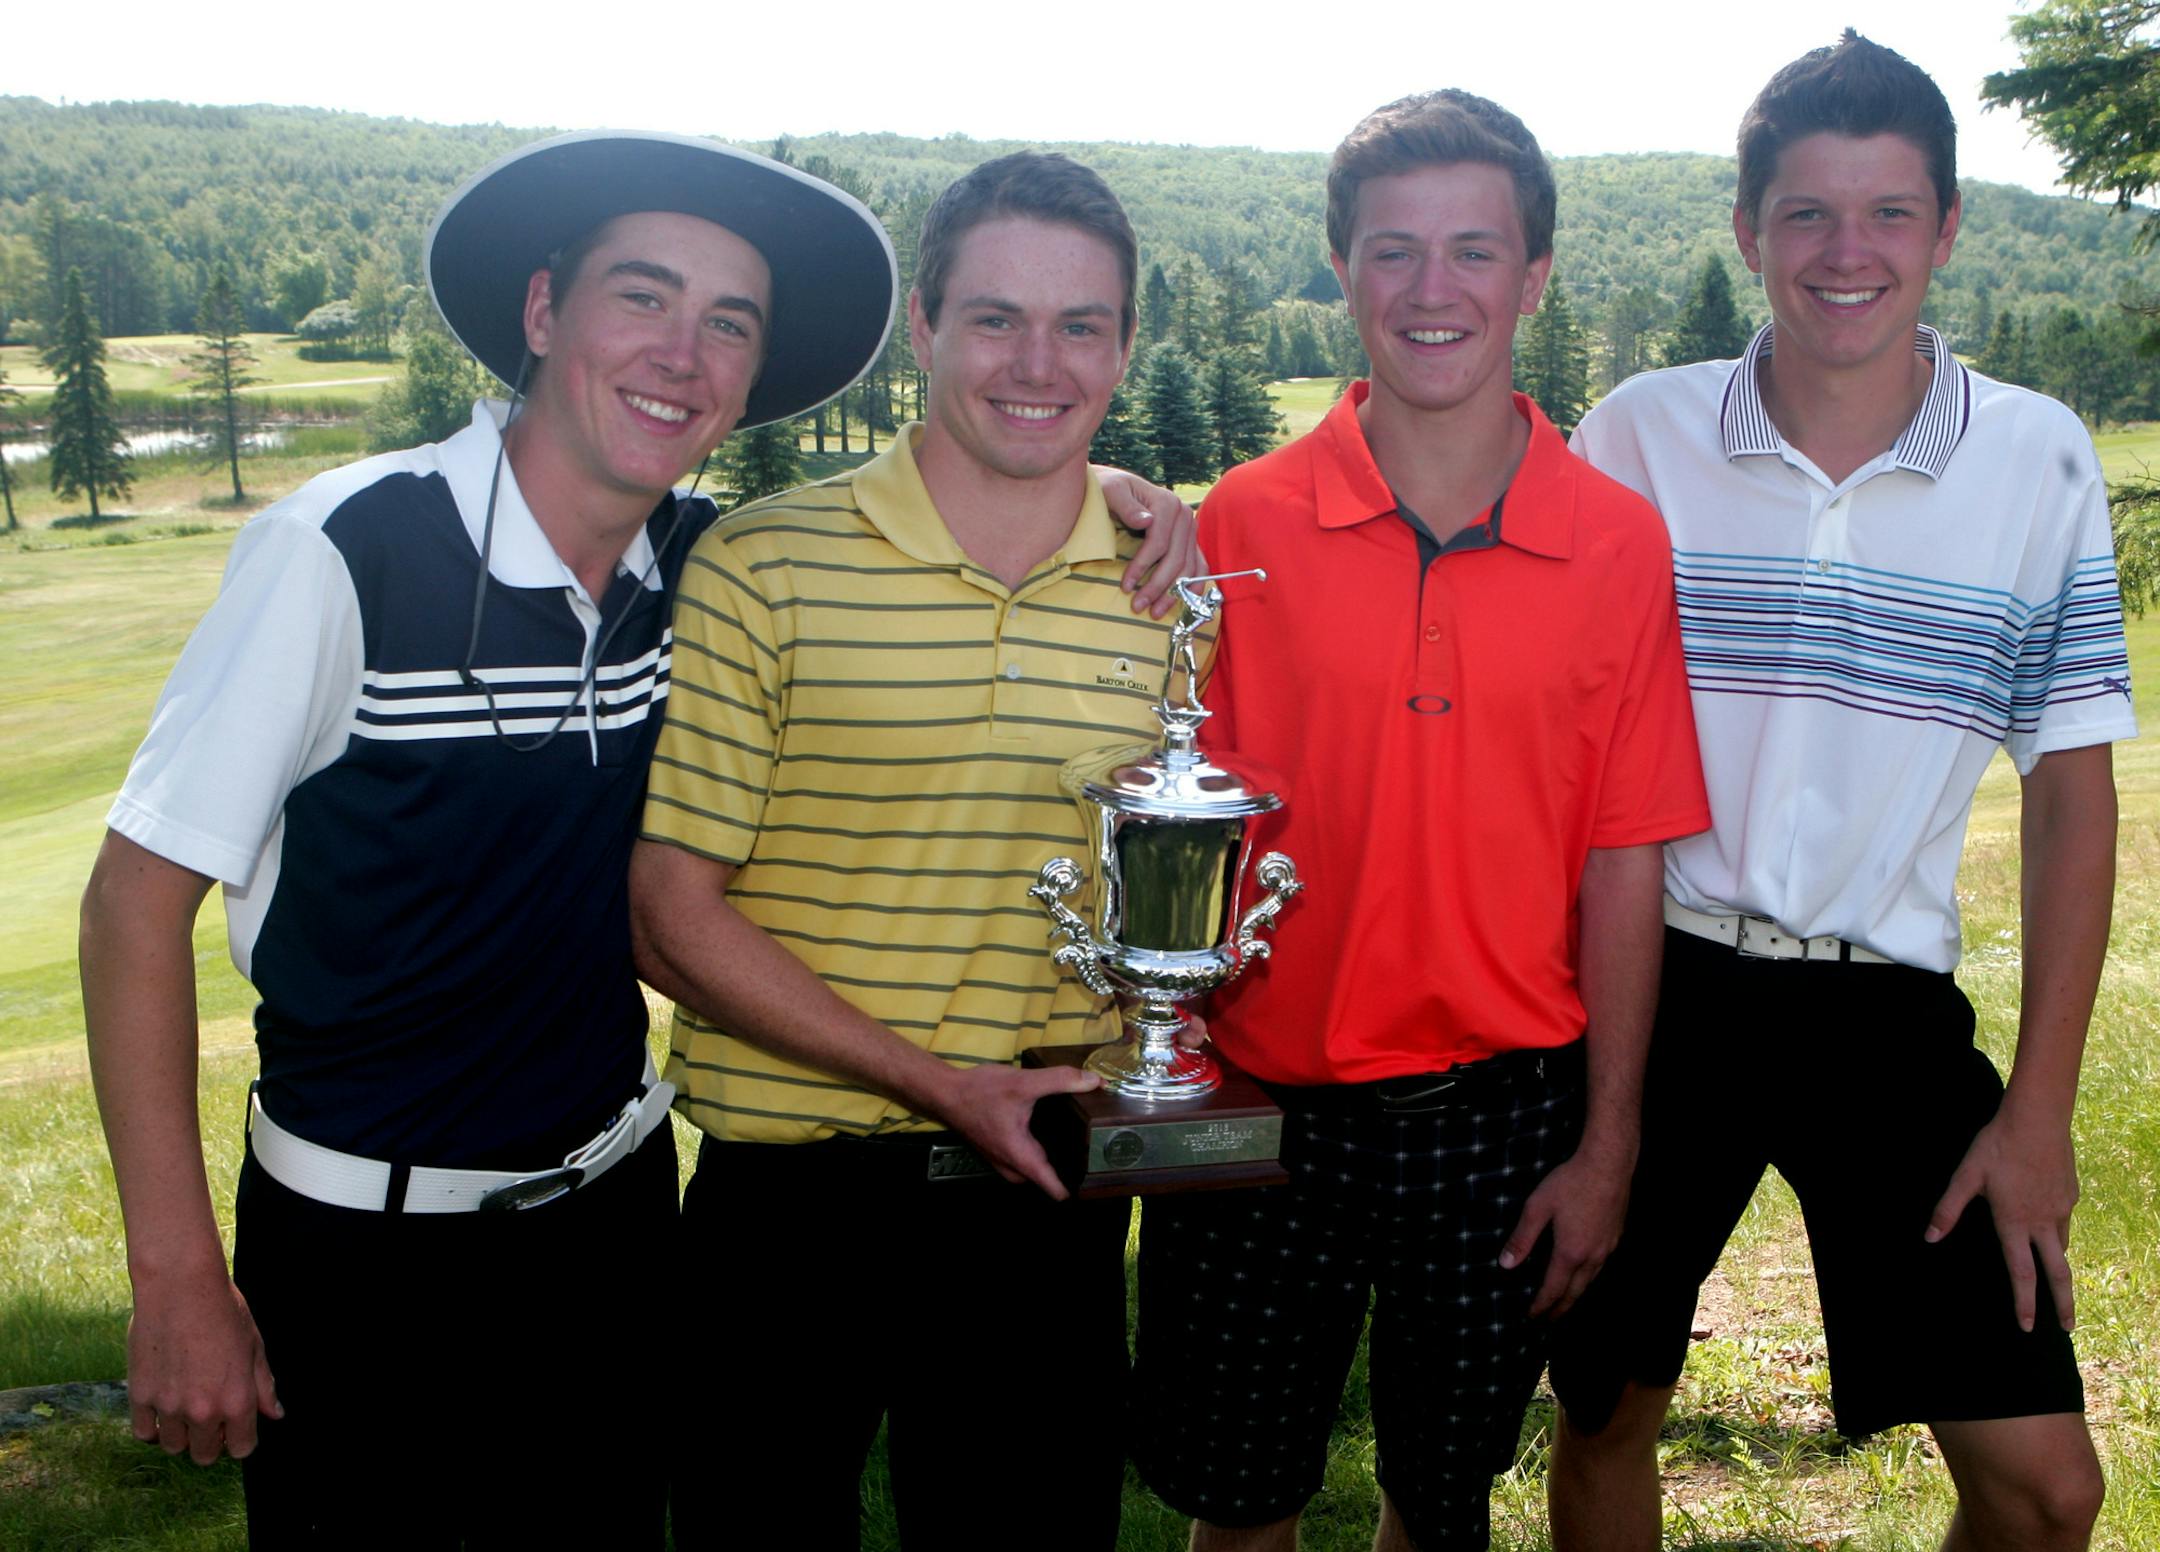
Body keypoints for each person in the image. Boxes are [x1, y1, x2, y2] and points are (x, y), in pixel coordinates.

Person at [80, 129, 1194, 1547]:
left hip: (612, 1219)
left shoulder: (686, 561)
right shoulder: (347, 547)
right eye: (643, 297)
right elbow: (130, 906)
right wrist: (176, 1273)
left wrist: (1124, 498)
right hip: (371, 1242)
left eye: (727, 322)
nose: (683, 351)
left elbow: (978, 495)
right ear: (543, 312)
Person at [1544, 33, 2135, 1552]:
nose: (1846, 252)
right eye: (1806, 213)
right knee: (1607, 1409)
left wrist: (2045, 1107)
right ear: (1748, 230)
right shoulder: (1637, 436)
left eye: (1889, 214)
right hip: (1658, 992)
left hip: (1885, 1008)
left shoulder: (2038, 459)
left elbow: (2073, 794)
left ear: (1947, 230)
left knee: (2047, 1489)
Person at [1127, 91, 1711, 1552]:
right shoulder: (1243, 527)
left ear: (1536, 275)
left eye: (1474, 250)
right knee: (1243, 1506)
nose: (1432, 291)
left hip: (1505, 1118)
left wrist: (1611, 1147)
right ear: (1342, 267)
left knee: (1438, 1504)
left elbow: (1624, 858)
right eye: (1393, 251)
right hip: (1264, 1106)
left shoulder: (1619, 541)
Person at [629, 150, 1190, 1552]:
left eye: (1083, 326)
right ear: (927, 328)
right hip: (786, 1210)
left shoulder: (1164, 594)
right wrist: (938, 1085)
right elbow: (666, 913)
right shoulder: (765, 564)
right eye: (996, 318)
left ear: (1125, 345)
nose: (1038, 363)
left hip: (1045, 1203)